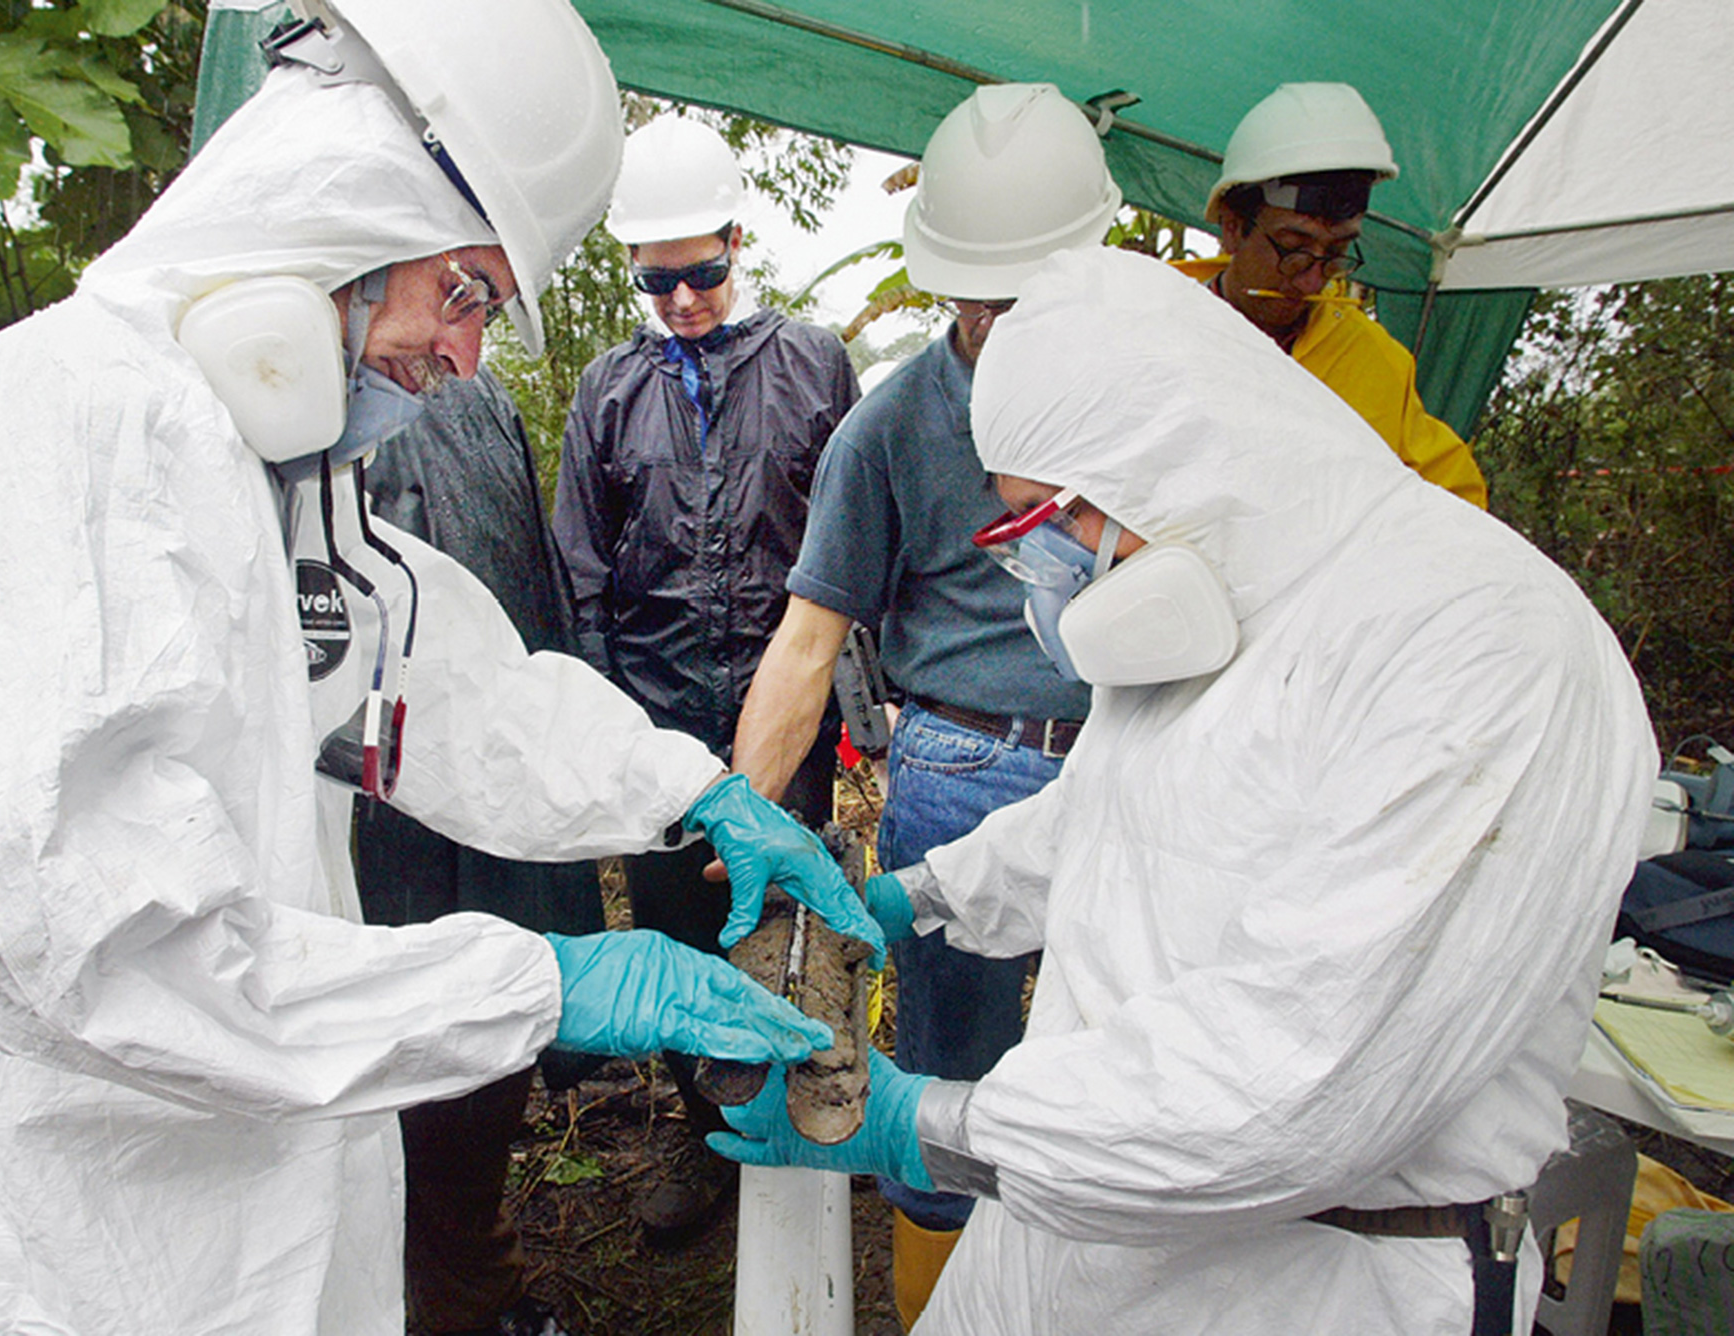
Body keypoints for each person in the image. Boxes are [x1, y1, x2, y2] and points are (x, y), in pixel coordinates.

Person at [0, 3, 881, 1331]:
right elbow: (96, 951)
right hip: (149, 1239)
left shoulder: (258, 472)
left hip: (293, 1165)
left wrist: (691, 794)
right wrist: (540, 983)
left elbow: (436, 690)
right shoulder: (57, 429)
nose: (462, 358)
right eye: (464, 292)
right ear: (339, 210)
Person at [709, 245, 1657, 1335]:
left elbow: (1284, 1086)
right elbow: (1103, 823)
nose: (1049, 568)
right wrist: (907, 898)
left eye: (1051, 522)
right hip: (1077, 1226)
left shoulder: (1485, 651)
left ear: (1161, 453)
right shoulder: (1216, 594)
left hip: (1310, 1278)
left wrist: (918, 1123)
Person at [727, 83, 1118, 1325]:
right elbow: (806, 643)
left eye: (1031, 299)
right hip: (963, 759)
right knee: (954, 1081)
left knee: (1124, 1064)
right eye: (980, 300)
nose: (1002, 325)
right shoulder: (889, 428)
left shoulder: (1142, 394)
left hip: (1130, 749)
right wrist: (747, 820)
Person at [552, 113, 862, 1236]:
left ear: (738, 242)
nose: (682, 299)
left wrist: (856, 702)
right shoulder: (605, 392)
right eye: (657, 280)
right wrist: (603, 734)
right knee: (681, 930)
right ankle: (703, 1132)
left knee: (791, 911)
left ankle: (815, 1102)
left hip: (784, 708)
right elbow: (579, 573)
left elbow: (851, 545)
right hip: (658, 721)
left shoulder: (812, 362)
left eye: (704, 272)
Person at [349, 369, 604, 1336]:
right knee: (406, 1065)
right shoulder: (292, 412)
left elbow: (535, 586)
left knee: (491, 1051)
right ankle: (447, 1297)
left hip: (501, 794)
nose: (458, 339)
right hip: (380, 822)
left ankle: (473, 1279)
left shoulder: (477, 397)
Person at [1173, 82, 1489, 507]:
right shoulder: (1155, 320)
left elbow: (1460, 504)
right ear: (1232, 226)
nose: (1311, 281)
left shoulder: (1376, 364)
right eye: (1293, 248)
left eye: (1336, 253)